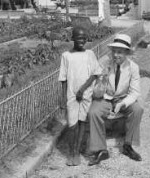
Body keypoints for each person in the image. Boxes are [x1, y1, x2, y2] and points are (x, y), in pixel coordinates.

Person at [88, 34, 143, 166]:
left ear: (127, 53)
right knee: (94, 112)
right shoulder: (104, 63)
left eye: (120, 52)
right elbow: (95, 92)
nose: (116, 55)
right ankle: (101, 150)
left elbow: (135, 92)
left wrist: (123, 103)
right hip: (106, 98)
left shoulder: (133, 67)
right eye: (114, 51)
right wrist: (103, 79)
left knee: (137, 109)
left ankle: (128, 145)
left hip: (123, 98)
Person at [58, 26, 101, 166]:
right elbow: (63, 78)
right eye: (78, 38)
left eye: (84, 38)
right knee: (72, 124)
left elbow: (95, 74)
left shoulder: (89, 54)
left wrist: (83, 89)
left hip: (85, 94)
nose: (81, 40)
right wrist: (63, 98)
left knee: (82, 122)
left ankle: (76, 152)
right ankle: (71, 151)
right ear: (72, 39)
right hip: (71, 95)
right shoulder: (66, 56)